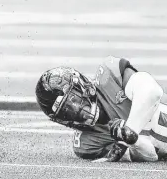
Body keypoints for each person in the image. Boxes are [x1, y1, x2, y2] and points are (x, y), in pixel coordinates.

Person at [35, 56, 167, 162]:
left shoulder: (108, 77)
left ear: (82, 85)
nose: (76, 109)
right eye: (66, 111)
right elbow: (150, 156)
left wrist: (129, 129)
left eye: (74, 100)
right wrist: (133, 140)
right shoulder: (85, 145)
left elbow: (152, 92)